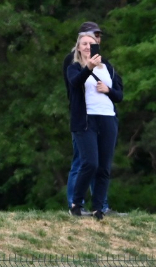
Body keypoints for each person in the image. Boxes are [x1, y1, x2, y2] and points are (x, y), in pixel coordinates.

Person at [65, 28, 123, 220]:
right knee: (90, 163)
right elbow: (75, 83)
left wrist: (108, 90)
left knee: (104, 167)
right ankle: (76, 203)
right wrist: (88, 67)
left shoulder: (107, 68)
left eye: (91, 44)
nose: (88, 47)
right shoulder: (74, 67)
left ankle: (99, 208)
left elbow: (119, 95)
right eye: (84, 44)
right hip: (86, 120)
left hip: (107, 117)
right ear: (78, 48)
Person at [64, 22, 101, 213]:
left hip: (97, 118)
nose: (96, 40)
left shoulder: (99, 61)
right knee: (81, 161)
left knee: (95, 162)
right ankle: (74, 203)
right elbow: (74, 85)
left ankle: (100, 204)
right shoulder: (72, 60)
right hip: (82, 118)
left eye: (97, 37)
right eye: (93, 36)